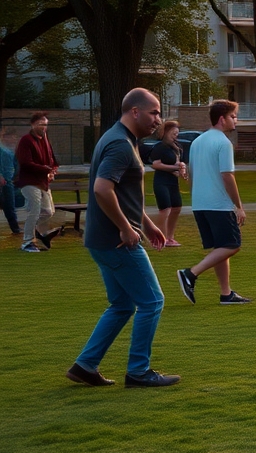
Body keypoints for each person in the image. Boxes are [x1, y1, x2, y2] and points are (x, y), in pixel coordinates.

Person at [67, 88, 180, 388]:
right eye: (154, 112)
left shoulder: (118, 138)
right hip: (117, 241)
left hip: (102, 240)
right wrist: (126, 228)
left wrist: (146, 224)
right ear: (134, 111)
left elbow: (122, 193)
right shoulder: (119, 144)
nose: (159, 118)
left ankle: (85, 365)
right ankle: (139, 371)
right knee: (152, 301)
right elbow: (103, 190)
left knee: (121, 306)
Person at [178, 100, 250, 305]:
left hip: (200, 204)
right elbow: (227, 176)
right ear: (222, 119)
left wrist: (195, 198)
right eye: (233, 116)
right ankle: (190, 274)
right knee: (232, 245)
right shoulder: (223, 142)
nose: (236, 120)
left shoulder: (197, 141)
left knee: (220, 248)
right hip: (219, 205)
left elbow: (191, 173)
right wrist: (239, 206)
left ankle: (226, 294)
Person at [17, 111, 59, 252]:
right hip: (28, 181)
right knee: (35, 210)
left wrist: (52, 170)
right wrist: (46, 170)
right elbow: (25, 162)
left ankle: (35, 231)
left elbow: (53, 161)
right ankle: (27, 243)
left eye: (45, 125)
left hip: (42, 181)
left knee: (48, 211)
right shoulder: (26, 140)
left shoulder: (45, 140)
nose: (44, 127)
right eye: (41, 124)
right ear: (33, 124)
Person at [148, 120, 187, 247]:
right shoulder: (160, 147)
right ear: (165, 132)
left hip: (173, 182)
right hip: (161, 182)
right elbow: (155, 165)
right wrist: (174, 168)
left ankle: (170, 237)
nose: (176, 135)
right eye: (173, 133)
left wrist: (182, 167)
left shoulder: (176, 147)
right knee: (165, 210)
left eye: (177, 133)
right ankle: (159, 238)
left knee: (176, 208)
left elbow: (178, 163)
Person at [1, 128, 19, 235]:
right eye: (11, 137)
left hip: (9, 182)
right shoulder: (2, 149)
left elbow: (15, 165)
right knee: (9, 205)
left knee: (10, 206)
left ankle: (15, 228)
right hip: (3, 180)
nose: (14, 139)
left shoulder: (11, 150)